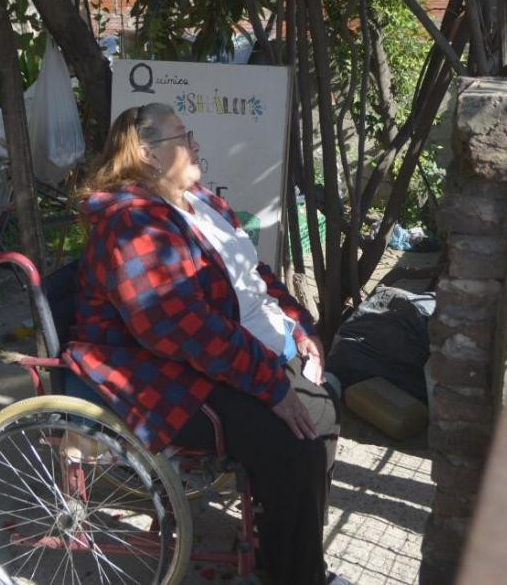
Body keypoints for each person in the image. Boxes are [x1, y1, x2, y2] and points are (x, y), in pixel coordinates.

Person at [65, 102, 348, 585]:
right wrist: (268, 383)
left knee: (325, 403)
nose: (196, 145)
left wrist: (300, 326)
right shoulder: (132, 225)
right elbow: (176, 326)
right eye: (184, 136)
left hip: (240, 351)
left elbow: (252, 276)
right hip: (162, 373)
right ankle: (292, 572)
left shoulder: (201, 203)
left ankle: (286, 553)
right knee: (302, 439)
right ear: (149, 155)